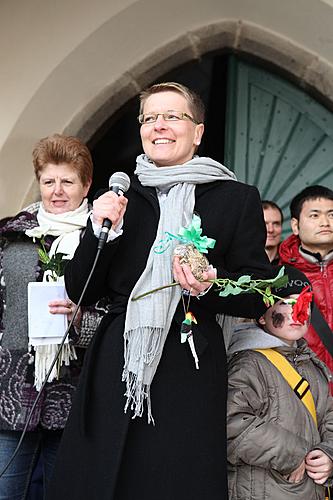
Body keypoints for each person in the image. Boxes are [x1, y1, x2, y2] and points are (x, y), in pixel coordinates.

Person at [47, 82, 273, 500]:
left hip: (190, 364)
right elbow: (81, 289)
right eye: (149, 118)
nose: (159, 126)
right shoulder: (119, 196)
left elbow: (258, 292)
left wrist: (210, 282)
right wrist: (100, 232)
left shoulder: (234, 199)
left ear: (198, 131)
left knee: (173, 481)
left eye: (172, 116)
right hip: (118, 358)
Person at [0, 134, 106, 499]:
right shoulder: (11, 236)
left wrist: (81, 320)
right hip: (13, 392)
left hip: (78, 393)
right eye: (49, 181)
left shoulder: (104, 241)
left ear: (86, 184)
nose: (57, 191)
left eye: (67, 181)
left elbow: (117, 313)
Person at [227, 266, 333, 499]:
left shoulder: (312, 365)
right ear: (262, 315)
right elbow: (232, 424)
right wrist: (294, 455)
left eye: (304, 303)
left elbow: (329, 417)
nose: (298, 313)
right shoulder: (248, 363)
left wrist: (329, 454)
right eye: (285, 303)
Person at [279, 185, 333, 391]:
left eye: (331, 214)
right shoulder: (280, 277)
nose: (325, 222)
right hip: (302, 390)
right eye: (314, 215)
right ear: (295, 225)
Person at [262, 200, 283, 264]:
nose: (270, 230)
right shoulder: (238, 262)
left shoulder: (292, 262)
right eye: (264, 224)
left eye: (276, 224)